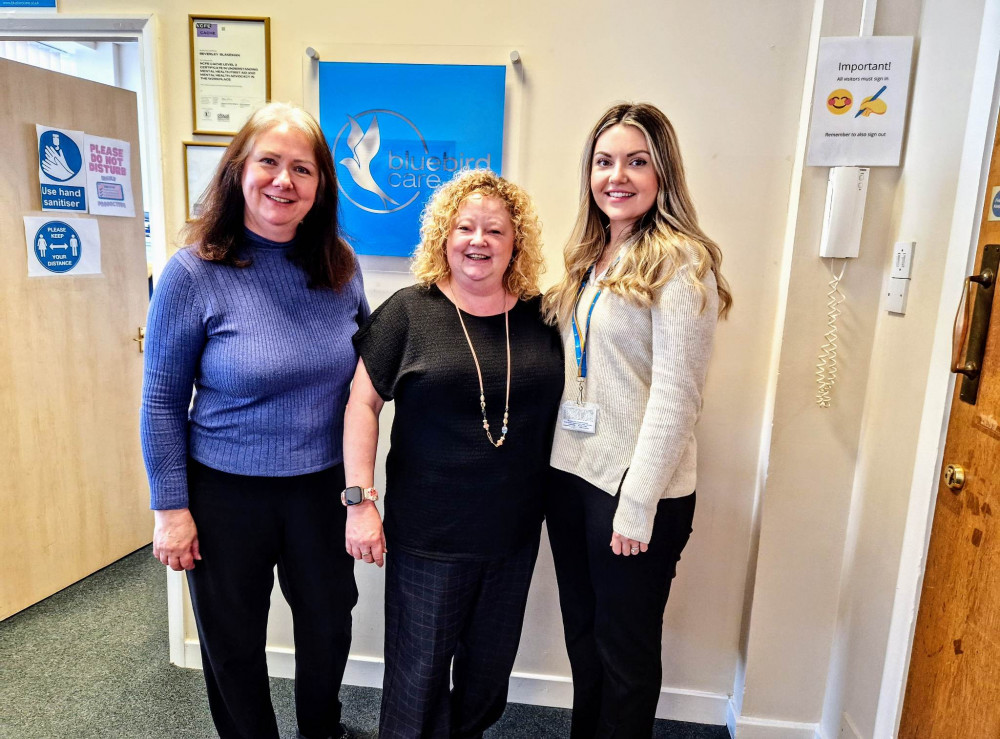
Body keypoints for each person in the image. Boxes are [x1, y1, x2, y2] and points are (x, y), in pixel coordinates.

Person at [140, 102, 368, 739]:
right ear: (239, 169)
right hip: (223, 492)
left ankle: (321, 730)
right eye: (269, 161)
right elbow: (160, 402)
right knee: (232, 640)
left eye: (303, 168)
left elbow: (369, 377)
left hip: (320, 489)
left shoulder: (340, 267)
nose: (283, 181)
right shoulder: (192, 273)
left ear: (321, 185)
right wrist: (170, 510)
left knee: (329, 624)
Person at [342, 169, 564, 738]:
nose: (478, 240)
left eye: (494, 229)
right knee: (416, 682)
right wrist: (360, 503)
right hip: (429, 539)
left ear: (517, 241)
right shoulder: (408, 312)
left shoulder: (542, 318)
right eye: (464, 226)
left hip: (512, 537)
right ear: (444, 236)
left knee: (488, 678)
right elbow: (361, 406)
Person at [542, 102, 732, 738]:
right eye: (603, 161)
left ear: (663, 173)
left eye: (636, 161)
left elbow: (678, 394)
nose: (616, 175)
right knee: (584, 642)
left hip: (633, 490)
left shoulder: (682, 262)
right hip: (571, 479)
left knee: (624, 654)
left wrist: (637, 504)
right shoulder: (588, 258)